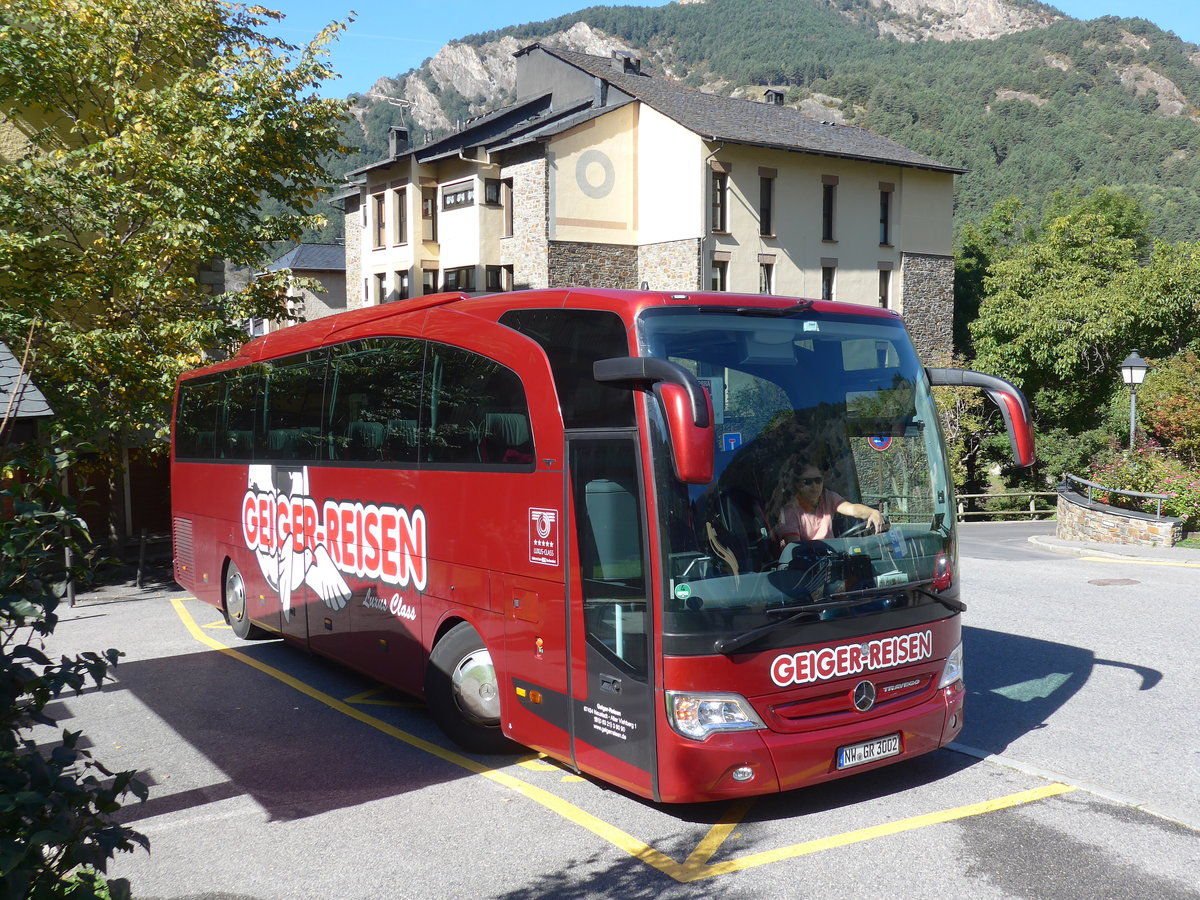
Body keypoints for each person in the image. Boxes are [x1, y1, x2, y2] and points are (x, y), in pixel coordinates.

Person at [774, 462, 886, 545]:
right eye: (807, 482)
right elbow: (795, 548)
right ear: (798, 485)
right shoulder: (790, 511)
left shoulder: (827, 497)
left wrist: (872, 512)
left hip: (833, 557)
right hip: (811, 567)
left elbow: (851, 508)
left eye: (818, 480)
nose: (814, 486)